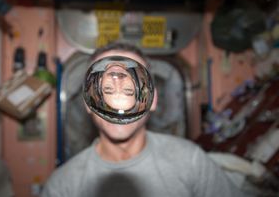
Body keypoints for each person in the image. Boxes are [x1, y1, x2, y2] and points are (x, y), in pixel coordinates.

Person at [41, 42, 248, 197]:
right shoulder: (63, 186)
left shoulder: (190, 162)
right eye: (105, 90)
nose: (118, 102)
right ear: (88, 102)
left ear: (153, 100)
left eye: (132, 89)